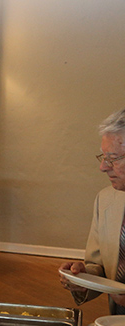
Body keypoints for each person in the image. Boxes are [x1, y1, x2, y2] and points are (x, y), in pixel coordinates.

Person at [60, 108, 125, 313]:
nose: (103, 167)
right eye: (103, 157)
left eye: (113, 158)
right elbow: (102, 269)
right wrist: (83, 276)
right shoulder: (105, 200)